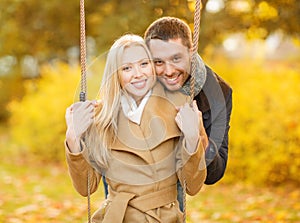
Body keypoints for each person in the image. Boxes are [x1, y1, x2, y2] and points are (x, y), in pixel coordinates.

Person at [65, 34, 206, 222]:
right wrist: (73, 139)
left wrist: (192, 139)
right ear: (116, 74)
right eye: (127, 68)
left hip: (163, 217)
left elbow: (192, 186)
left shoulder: (179, 108)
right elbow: (86, 187)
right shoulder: (100, 116)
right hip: (118, 216)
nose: (138, 74)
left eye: (144, 64)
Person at [143, 16, 233, 210]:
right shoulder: (137, 80)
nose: (168, 71)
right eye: (158, 61)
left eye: (176, 58)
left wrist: (199, 134)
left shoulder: (217, 94)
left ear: (191, 52)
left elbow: (214, 174)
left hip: (172, 191)